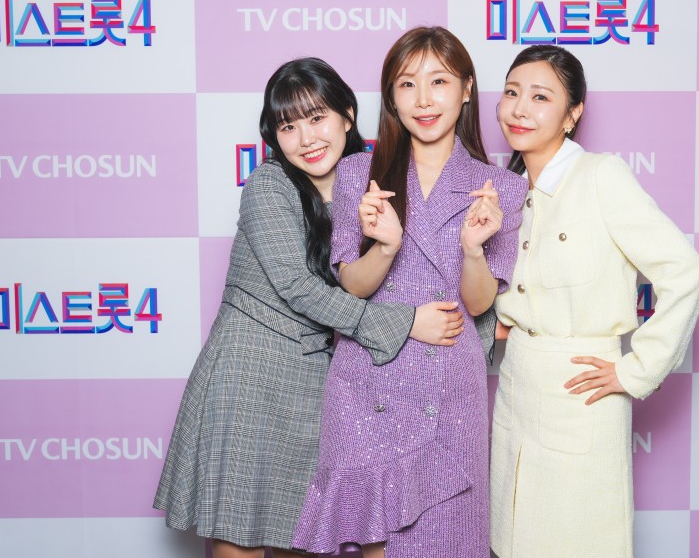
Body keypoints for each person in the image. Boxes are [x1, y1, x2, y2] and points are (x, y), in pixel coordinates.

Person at [153, 57, 465, 558]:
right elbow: (298, 287)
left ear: (347, 115)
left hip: (321, 388)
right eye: (288, 126)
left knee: (298, 539)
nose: (306, 138)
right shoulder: (269, 186)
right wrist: (406, 323)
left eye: (317, 118)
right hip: (249, 378)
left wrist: (483, 320)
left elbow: (419, 269)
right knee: (240, 540)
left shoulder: (372, 183)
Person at [292, 27, 528, 558]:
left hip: (447, 389)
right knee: (377, 547)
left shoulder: (501, 189)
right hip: (366, 381)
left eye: (439, 81)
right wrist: (385, 246)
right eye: (407, 84)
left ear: (466, 89)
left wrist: (473, 249)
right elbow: (352, 286)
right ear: (391, 97)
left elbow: (478, 304)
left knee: (446, 541)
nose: (423, 99)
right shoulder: (358, 173)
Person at [489, 45, 699, 558]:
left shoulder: (600, 175)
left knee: (581, 540)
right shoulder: (507, 191)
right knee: (512, 540)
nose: (520, 108)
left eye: (540, 97)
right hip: (516, 387)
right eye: (512, 93)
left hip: (580, 393)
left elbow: (686, 271)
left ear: (572, 114)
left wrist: (636, 370)